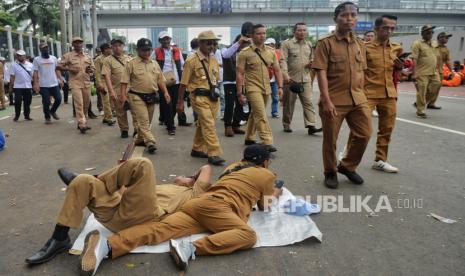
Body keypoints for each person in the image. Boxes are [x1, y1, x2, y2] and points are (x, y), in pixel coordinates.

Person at [78, 145, 282, 275]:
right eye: (268, 160)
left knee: (158, 229)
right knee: (247, 235)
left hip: (197, 205)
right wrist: (277, 191)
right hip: (220, 208)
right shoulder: (266, 174)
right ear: (264, 162)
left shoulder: (233, 167)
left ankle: (106, 247)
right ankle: (190, 248)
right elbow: (265, 205)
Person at [24, 157, 214, 265]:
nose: (179, 176)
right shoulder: (158, 187)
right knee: (82, 182)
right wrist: (122, 173)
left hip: (146, 217)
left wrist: (192, 180)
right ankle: (59, 238)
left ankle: (99, 178)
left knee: (143, 165)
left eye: (183, 176)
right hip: (120, 212)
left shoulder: (195, 192)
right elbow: (127, 195)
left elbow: (206, 167)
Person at [312, 2, 371, 189]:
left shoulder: (360, 43)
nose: (350, 19)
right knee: (331, 139)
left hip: (357, 98)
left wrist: (363, 95)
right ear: (335, 18)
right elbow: (321, 72)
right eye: (345, 15)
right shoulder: (325, 43)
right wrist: (326, 101)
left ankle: (347, 166)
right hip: (334, 100)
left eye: (353, 15)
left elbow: (362, 72)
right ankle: (330, 172)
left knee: (364, 134)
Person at [363, 15, 404, 173]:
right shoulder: (365, 48)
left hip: (389, 94)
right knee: (362, 130)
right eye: (386, 27)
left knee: (387, 129)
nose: (389, 31)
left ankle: (380, 160)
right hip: (368, 93)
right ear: (377, 29)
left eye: (392, 28)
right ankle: (347, 158)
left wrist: (399, 68)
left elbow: (398, 73)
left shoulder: (396, 48)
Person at [177, 31, 225, 166]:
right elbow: (183, 83)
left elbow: (216, 80)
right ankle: (214, 153)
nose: (212, 46)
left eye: (215, 43)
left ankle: (197, 148)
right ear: (200, 44)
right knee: (209, 124)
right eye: (209, 43)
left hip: (212, 97)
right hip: (198, 97)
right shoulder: (191, 61)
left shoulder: (214, 60)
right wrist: (180, 102)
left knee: (204, 124)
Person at [236, 24, 284, 153]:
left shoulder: (271, 51)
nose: (262, 36)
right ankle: (267, 141)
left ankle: (249, 137)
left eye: (264, 33)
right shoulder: (244, 53)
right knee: (261, 114)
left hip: (266, 87)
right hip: (252, 87)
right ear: (252, 36)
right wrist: (240, 92)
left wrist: (280, 87)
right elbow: (240, 73)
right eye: (258, 33)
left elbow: (277, 70)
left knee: (255, 113)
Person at [120, 38, 170, 154]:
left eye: (149, 50)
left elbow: (160, 80)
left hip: (151, 96)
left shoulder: (155, 64)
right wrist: (122, 96)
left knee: (147, 121)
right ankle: (150, 142)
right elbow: (124, 82)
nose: (147, 52)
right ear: (137, 50)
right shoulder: (131, 64)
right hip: (136, 96)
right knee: (143, 120)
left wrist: (166, 92)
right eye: (144, 50)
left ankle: (139, 139)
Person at [280, 22, 322, 135]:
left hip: (306, 79)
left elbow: (312, 58)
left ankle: (311, 125)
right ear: (295, 31)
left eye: (304, 30)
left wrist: (312, 63)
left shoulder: (308, 44)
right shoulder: (287, 44)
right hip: (291, 80)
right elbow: (282, 60)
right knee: (289, 105)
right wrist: (285, 76)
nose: (302, 32)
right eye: (299, 30)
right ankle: (287, 124)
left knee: (308, 102)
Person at [152, 31, 190, 136]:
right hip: (163, 82)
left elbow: (183, 64)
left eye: (168, 38)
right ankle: (170, 126)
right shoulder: (156, 52)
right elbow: (150, 64)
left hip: (176, 81)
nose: (166, 41)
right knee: (167, 104)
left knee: (174, 105)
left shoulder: (177, 51)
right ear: (160, 41)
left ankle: (168, 120)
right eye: (164, 39)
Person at [58, 37, 95, 133]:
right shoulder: (68, 56)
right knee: (79, 103)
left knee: (86, 104)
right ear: (73, 45)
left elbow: (93, 69)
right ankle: (82, 124)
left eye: (80, 42)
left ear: (82, 44)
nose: (78, 44)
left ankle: (82, 121)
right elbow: (59, 66)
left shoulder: (88, 56)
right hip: (75, 83)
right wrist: (70, 69)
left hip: (86, 83)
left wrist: (90, 71)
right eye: (76, 43)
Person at [102, 38, 138, 138]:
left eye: (119, 45)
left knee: (135, 111)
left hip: (131, 90)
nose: (117, 48)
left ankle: (136, 129)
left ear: (123, 47)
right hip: (117, 90)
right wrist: (111, 91)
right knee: (121, 112)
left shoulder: (129, 59)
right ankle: (124, 130)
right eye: (114, 46)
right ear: (112, 47)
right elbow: (107, 76)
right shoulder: (107, 60)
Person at [221, 34, 251, 137]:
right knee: (229, 104)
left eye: (245, 43)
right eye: (243, 43)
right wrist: (238, 43)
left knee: (241, 104)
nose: (244, 45)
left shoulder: (246, 53)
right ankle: (228, 126)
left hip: (242, 82)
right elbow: (225, 56)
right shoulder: (227, 49)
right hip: (229, 81)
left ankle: (236, 125)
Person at [411, 25, 441, 118]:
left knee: (436, 86)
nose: (430, 34)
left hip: (433, 72)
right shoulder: (417, 43)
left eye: (432, 32)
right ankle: (420, 111)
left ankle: (419, 103)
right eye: (428, 32)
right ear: (422, 33)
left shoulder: (434, 44)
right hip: (422, 72)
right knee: (422, 91)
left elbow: (436, 57)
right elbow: (414, 59)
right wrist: (414, 73)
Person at [32, 42, 63, 124]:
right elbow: (35, 72)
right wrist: (35, 83)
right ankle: (47, 117)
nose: (45, 49)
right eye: (43, 48)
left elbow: (57, 69)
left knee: (59, 99)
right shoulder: (37, 59)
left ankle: (52, 111)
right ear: (40, 50)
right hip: (43, 85)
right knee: (46, 102)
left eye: (46, 47)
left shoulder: (53, 58)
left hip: (54, 83)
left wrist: (60, 79)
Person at [427, 32, 453, 109]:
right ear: (440, 38)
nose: (447, 39)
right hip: (430, 70)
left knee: (437, 88)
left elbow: (447, 61)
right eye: (446, 37)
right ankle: (421, 101)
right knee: (430, 87)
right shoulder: (432, 45)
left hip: (440, 71)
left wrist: (452, 71)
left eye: (448, 38)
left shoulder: (446, 49)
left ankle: (431, 103)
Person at [9, 50, 34, 121]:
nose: (19, 57)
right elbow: (12, 77)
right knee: (18, 101)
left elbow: (34, 76)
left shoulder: (30, 65)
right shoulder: (13, 65)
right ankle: (17, 115)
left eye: (20, 55)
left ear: (24, 56)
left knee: (28, 102)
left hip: (28, 86)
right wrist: (11, 87)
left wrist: (35, 84)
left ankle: (27, 115)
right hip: (18, 87)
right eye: (18, 55)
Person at [94, 43, 115, 126]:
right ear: (104, 50)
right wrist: (99, 84)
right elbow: (97, 73)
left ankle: (106, 118)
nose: (110, 49)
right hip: (103, 81)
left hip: (112, 81)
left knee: (111, 100)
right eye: (108, 48)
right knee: (106, 101)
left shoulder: (112, 58)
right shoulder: (98, 59)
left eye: (110, 48)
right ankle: (109, 118)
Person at [265, 37, 280, 119]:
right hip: (264, 80)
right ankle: (261, 112)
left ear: (273, 45)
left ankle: (274, 112)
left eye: (269, 44)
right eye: (266, 44)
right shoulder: (262, 52)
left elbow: (278, 68)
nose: (268, 46)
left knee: (275, 97)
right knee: (263, 98)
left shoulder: (277, 53)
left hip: (274, 80)